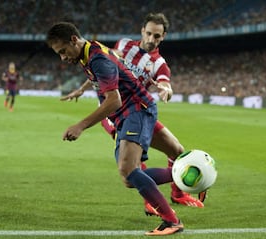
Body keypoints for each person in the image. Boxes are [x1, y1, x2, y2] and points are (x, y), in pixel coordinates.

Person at [46, 22, 184, 236]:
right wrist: (82, 90)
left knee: (128, 169)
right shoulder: (89, 51)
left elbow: (114, 101)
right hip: (130, 113)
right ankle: (188, 174)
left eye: (63, 51)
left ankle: (171, 221)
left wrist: (81, 126)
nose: (63, 57)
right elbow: (113, 67)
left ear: (74, 40)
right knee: (129, 178)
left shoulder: (96, 58)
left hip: (136, 110)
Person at [61, 13, 206, 215]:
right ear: (142, 31)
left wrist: (167, 90)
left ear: (163, 37)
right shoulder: (124, 45)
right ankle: (151, 201)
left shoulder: (159, 64)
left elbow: (165, 82)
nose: (151, 39)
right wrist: (83, 88)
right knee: (132, 164)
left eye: (156, 36)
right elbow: (104, 66)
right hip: (114, 113)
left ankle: (179, 192)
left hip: (138, 108)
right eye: (148, 33)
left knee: (177, 150)